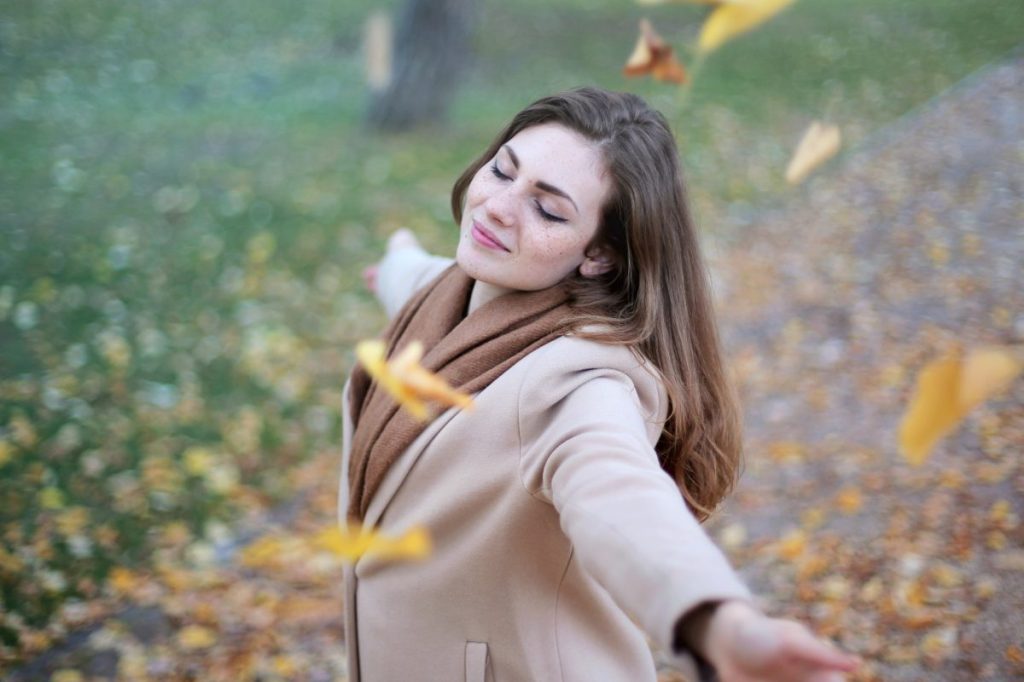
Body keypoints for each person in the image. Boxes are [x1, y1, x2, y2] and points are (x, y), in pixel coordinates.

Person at [339, 86, 860, 681]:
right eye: (503, 170)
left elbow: (618, 495)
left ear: (600, 257)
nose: (498, 208)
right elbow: (418, 278)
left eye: (549, 209)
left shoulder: (580, 379)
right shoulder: (443, 293)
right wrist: (397, 259)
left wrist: (718, 622)